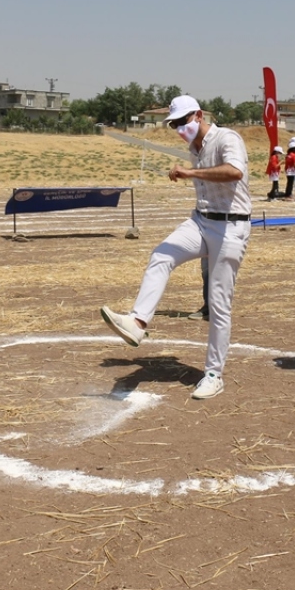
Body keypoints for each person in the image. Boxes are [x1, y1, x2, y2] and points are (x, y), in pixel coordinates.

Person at [101, 95, 251, 400]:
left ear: (198, 115)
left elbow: (234, 172)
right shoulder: (193, 148)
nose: (180, 129)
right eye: (175, 125)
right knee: (162, 254)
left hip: (231, 226)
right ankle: (137, 322)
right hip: (201, 220)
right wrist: (187, 170)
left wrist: (190, 172)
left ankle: (213, 374)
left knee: (218, 302)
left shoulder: (227, 138)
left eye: (184, 122)